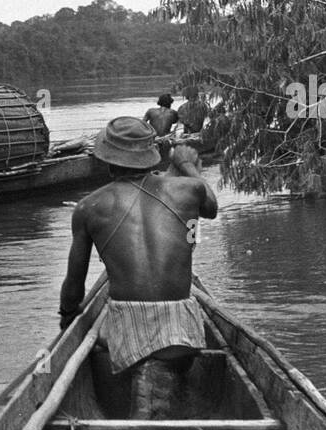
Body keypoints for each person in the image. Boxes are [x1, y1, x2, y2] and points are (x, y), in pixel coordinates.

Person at [59, 117, 217, 374]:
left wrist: (67, 316)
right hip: (184, 334)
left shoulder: (88, 207)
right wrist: (186, 163)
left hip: (127, 338)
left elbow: (73, 289)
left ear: (108, 161)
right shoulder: (190, 189)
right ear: (151, 156)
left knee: (85, 327)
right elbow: (211, 207)